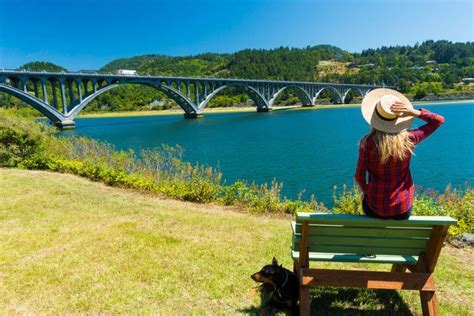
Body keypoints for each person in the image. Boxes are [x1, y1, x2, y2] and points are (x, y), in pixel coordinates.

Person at [355, 88, 445, 219]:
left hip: (374, 209)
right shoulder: (409, 139)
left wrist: (367, 192)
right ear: (397, 119)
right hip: (402, 210)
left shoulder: (367, 143)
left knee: (367, 202)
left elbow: (359, 176)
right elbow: (438, 120)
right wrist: (413, 112)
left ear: (374, 117)